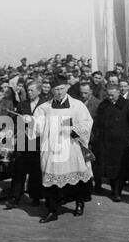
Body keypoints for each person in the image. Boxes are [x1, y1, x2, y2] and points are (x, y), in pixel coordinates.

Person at [32, 75, 93, 223]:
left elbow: (86, 122)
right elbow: (38, 128)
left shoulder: (77, 105)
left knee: (76, 178)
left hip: (71, 146)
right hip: (51, 148)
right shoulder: (44, 107)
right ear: (51, 90)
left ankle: (79, 203)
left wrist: (74, 130)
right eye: (56, 89)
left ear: (66, 87)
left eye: (61, 89)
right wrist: (30, 122)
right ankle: (52, 210)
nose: (59, 92)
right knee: (51, 179)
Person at [94, 85, 129, 202]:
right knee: (111, 169)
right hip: (107, 142)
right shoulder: (104, 104)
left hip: (122, 143)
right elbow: (98, 123)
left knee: (120, 168)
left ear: (118, 93)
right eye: (108, 95)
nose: (110, 97)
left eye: (112, 95)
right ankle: (114, 189)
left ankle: (117, 192)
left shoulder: (127, 104)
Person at [5, 81, 47, 209]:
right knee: (19, 169)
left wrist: (33, 122)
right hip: (23, 140)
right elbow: (16, 122)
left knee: (36, 170)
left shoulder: (46, 105)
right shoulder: (22, 104)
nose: (29, 93)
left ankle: (35, 196)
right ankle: (15, 197)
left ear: (39, 91)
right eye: (28, 90)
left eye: (32, 90)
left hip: (38, 141)